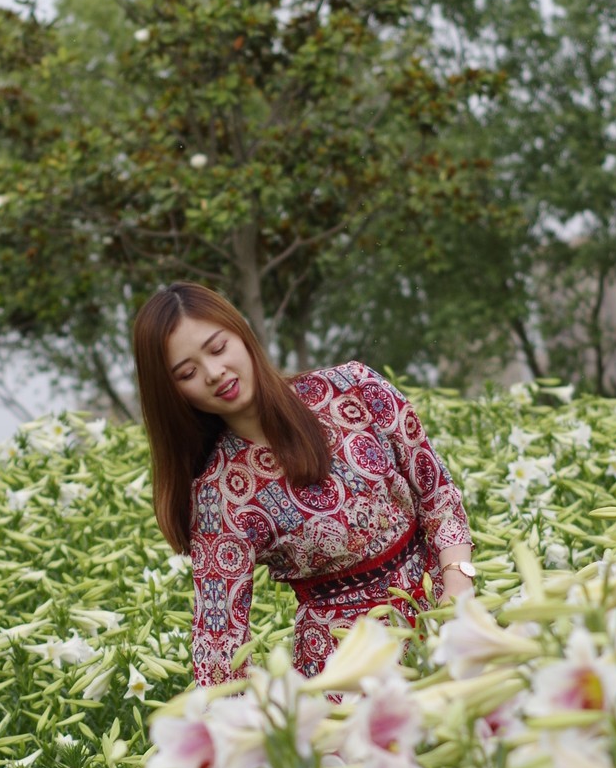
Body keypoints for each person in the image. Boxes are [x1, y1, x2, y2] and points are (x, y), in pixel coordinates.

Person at [132, 281, 476, 688]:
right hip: (345, 676)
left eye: (218, 348)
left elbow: (438, 495)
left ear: (242, 334)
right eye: (187, 373)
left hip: (449, 623)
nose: (214, 373)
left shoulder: (353, 388)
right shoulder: (218, 495)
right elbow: (220, 641)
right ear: (172, 392)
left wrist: (457, 591)